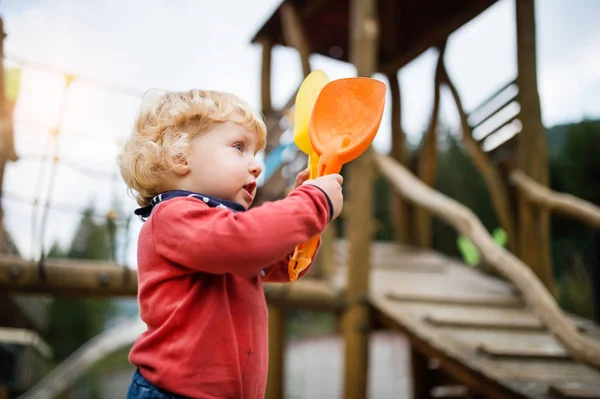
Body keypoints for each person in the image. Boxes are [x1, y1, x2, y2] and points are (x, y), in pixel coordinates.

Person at [117, 89, 343, 399]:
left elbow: (282, 263)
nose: (256, 166)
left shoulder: (224, 228)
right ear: (180, 156)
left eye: (255, 154)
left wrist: (303, 211)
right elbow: (244, 242)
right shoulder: (173, 216)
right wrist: (311, 203)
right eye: (239, 147)